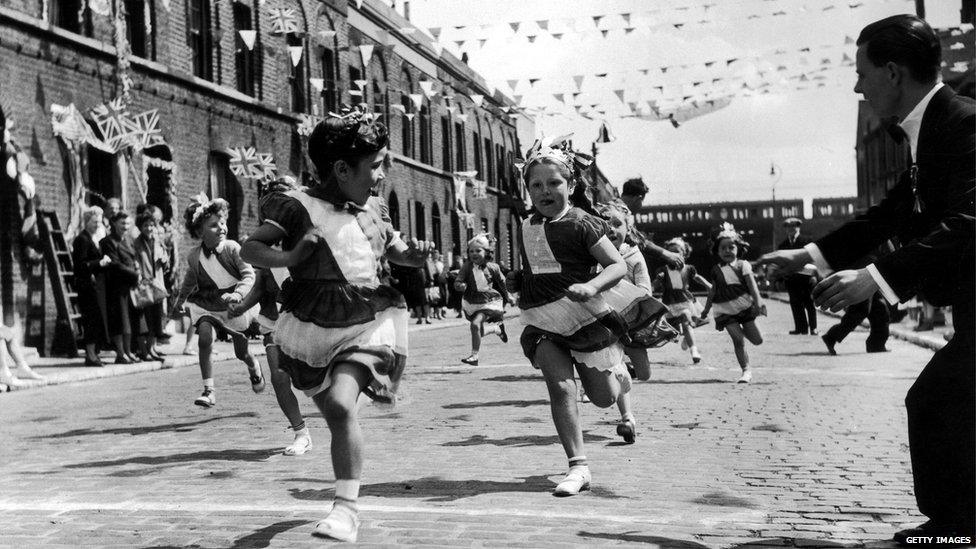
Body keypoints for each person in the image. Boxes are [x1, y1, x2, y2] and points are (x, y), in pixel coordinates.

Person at [757, 15, 974, 544]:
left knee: (936, 402)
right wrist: (808, 253)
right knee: (945, 404)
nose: (857, 86)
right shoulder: (932, 127)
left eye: (862, 72)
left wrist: (875, 278)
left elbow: (969, 223)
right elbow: (891, 214)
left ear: (893, 73)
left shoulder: (962, 124)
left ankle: (954, 531)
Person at [241, 105, 434, 542]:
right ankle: (345, 501)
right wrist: (289, 257)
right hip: (312, 323)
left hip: (369, 319)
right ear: (343, 169)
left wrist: (414, 256)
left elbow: (395, 248)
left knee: (343, 405)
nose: (381, 175)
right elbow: (252, 249)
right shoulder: (297, 206)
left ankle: (345, 509)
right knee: (336, 413)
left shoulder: (375, 207)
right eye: (376, 165)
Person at [511, 136, 663, 495]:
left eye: (554, 183)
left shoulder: (582, 222)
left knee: (602, 398)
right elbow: (535, 268)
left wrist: (593, 287)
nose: (545, 191)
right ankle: (577, 467)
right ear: (528, 190)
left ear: (572, 185)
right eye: (536, 185)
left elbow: (615, 266)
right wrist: (517, 279)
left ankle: (619, 375)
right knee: (560, 387)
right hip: (541, 319)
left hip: (583, 317)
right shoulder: (526, 225)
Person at [171, 194, 265, 408]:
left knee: (242, 353)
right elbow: (189, 281)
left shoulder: (232, 248)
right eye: (213, 225)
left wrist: (238, 295)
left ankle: (254, 367)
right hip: (209, 304)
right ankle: (209, 390)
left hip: (235, 306)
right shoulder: (194, 256)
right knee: (204, 338)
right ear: (199, 232)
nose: (221, 228)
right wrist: (179, 301)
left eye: (222, 223)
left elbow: (249, 275)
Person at [593, 200, 657, 444]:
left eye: (617, 224)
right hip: (605, 325)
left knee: (644, 373)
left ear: (628, 229)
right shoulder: (594, 256)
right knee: (615, 367)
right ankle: (627, 418)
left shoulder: (633, 256)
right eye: (605, 223)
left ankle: (626, 369)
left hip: (631, 323)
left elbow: (645, 289)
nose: (611, 228)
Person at [700, 223, 765, 383]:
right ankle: (746, 370)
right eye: (723, 248)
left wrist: (758, 303)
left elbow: (752, 286)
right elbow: (713, 291)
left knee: (757, 340)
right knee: (738, 340)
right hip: (724, 310)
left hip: (743, 307)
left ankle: (743, 331)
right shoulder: (715, 269)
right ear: (717, 250)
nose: (727, 251)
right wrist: (706, 309)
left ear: (738, 248)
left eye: (731, 247)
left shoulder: (743, 265)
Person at [455, 233, 511, 366]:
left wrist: (509, 296)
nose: (474, 253)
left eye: (478, 250)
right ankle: (496, 330)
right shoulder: (467, 267)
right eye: (471, 251)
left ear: (486, 252)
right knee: (477, 329)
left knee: (475, 325)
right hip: (472, 301)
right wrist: (459, 285)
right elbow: (458, 280)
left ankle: (474, 356)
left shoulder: (493, 267)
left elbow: (504, 283)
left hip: (489, 301)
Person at [654, 237, 712, 364]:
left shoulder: (688, 269)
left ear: (684, 254)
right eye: (670, 252)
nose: (674, 255)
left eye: (677, 252)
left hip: (685, 301)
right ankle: (687, 335)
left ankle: (694, 350)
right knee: (676, 329)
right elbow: (654, 285)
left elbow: (697, 278)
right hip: (669, 304)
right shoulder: (662, 271)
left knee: (686, 319)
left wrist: (708, 286)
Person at [618, 177, 685, 271]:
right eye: (642, 202)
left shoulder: (614, 208)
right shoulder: (619, 212)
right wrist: (666, 254)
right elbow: (637, 240)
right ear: (638, 198)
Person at [99, 211, 140, 364]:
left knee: (129, 321)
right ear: (114, 224)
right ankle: (120, 353)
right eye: (122, 223)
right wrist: (134, 274)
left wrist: (137, 267)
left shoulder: (128, 240)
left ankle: (128, 352)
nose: (125, 226)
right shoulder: (107, 242)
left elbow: (133, 257)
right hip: (116, 286)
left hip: (129, 286)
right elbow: (115, 264)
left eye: (128, 224)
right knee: (119, 321)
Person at [72, 206, 110, 366]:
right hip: (86, 286)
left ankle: (94, 353)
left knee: (96, 320)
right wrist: (99, 262)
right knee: (90, 320)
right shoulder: (82, 239)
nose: (97, 225)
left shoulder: (93, 238)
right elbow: (80, 264)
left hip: (96, 286)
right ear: (87, 221)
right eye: (94, 222)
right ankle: (90, 355)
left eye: (99, 222)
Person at [130, 206, 168, 361]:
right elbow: (135, 261)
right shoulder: (137, 243)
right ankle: (144, 350)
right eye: (145, 225)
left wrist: (165, 260)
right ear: (140, 227)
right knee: (143, 321)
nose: (149, 228)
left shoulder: (158, 242)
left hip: (157, 285)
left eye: (151, 225)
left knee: (155, 319)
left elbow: (165, 262)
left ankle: (152, 349)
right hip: (144, 285)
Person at [778, 217, 818, 335]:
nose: (791, 229)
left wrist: (815, 276)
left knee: (809, 304)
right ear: (786, 229)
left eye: (793, 226)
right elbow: (780, 263)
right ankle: (801, 328)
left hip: (806, 279)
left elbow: (814, 260)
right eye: (788, 227)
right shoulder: (783, 245)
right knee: (796, 305)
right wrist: (780, 279)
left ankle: (813, 328)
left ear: (798, 227)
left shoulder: (807, 242)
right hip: (791, 280)